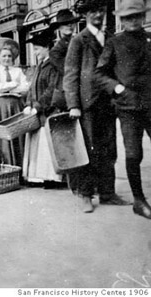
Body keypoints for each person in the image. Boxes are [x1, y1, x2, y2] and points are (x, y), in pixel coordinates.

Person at [63, 0, 130, 212]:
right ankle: (85, 193)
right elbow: (71, 74)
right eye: (93, 11)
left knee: (108, 148)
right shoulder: (78, 40)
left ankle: (107, 193)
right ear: (85, 14)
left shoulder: (111, 38)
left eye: (101, 10)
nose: (98, 15)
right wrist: (73, 104)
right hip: (87, 104)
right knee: (88, 148)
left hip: (108, 103)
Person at [95, 0, 151, 220]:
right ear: (121, 20)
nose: (132, 21)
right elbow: (100, 74)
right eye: (127, 17)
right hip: (128, 107)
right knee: (134, 153)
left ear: (143, 17)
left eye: (136, 16)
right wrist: (117, 87)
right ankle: (139, 200)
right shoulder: (115, 42)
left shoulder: (149, 40)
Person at [22, 29, 63, 187]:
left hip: (48, 112)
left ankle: (53, 179)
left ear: (47, 47)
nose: (35, 52)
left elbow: (52, 89)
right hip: (38, 113)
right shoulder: (39, 66)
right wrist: (28, 104)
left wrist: (38, 106)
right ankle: (40, 177)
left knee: (48, 146)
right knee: (39, 145)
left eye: (37, 49)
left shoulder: (53, 65)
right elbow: (33, 87)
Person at [0, 41, 29, 166]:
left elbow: (25, 88)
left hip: (15, 105)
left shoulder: (18, 71)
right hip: (0, 106)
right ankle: (6, 166)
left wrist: (8, 87)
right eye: (4, 56)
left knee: (18, 134)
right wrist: (14, 84)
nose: (6, 58)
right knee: (3, 137)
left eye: (9, 56)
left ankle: (20, 168)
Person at [49, 9, 80, 112]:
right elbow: (68, 71)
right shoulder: (55, 51)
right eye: (65, 24)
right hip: (66, 94)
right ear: (59, 27)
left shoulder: (80, 42)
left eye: (72, 22)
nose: (70, 26)